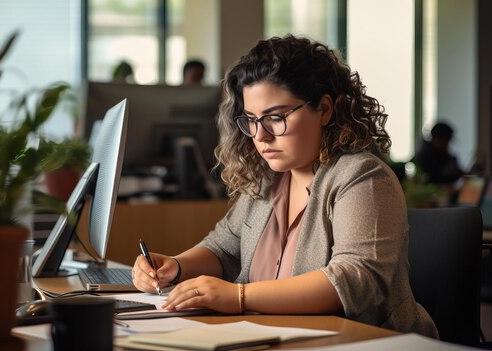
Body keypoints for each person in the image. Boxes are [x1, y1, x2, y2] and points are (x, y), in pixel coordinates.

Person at [132, 35, 437, 337]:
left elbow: (355, 280)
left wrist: (239, 297)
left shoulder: (362, 177)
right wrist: (175, 266)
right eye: (251, 119)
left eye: (275, 117)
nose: (260, 136)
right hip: (269, 338)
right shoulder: (267, 178)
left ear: (325, 109)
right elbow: (224, 248)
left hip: (361, 343)